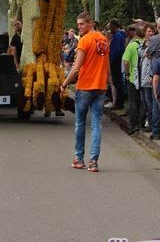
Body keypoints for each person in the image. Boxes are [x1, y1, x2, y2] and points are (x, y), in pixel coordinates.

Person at [60, 11, 110, 173]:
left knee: (80, 123)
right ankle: (93, 161)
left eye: (82, 24)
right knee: (96, 124)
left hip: (85, 86)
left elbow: (76, 68)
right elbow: (106, 64)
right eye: (78, 24)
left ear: (90, 23)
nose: (79, 27)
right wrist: (107, 81)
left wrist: (64, 84)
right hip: (100, 87)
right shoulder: (103, 40)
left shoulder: (85, 40)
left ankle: (79, 158)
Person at [122, 24, 142, 135]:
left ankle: (133, 124)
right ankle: (141, 122)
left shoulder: (131, 45)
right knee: (142, 101)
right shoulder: (147, 44)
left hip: (133, 77)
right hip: (144, 77)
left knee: (132, 101)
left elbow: (125, 61)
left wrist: (126, 73)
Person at [106, 19, 126, 109]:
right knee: (117, 82)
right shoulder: (120, 35)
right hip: (118, 60)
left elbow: (115, 50)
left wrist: (110, 59)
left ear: (114, 25)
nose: (109, 29)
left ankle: (118, 103)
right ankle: (117, 101)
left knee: (117, 82)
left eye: (110, 27)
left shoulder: (117, 36)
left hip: (116, 61)